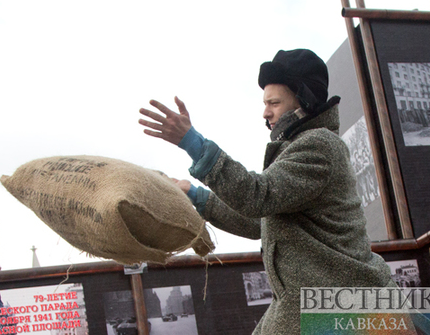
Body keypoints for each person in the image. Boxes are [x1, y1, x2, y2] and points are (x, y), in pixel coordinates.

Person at [138, 49, 395, 334]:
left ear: (304, 101)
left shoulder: (319, 146)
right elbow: (257, 221)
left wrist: (193, 142)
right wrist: (195, 196)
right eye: (265, 103)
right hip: (315, 299)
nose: (265, 112)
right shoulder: (300, 148)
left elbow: (256, 196)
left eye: (274, 102)